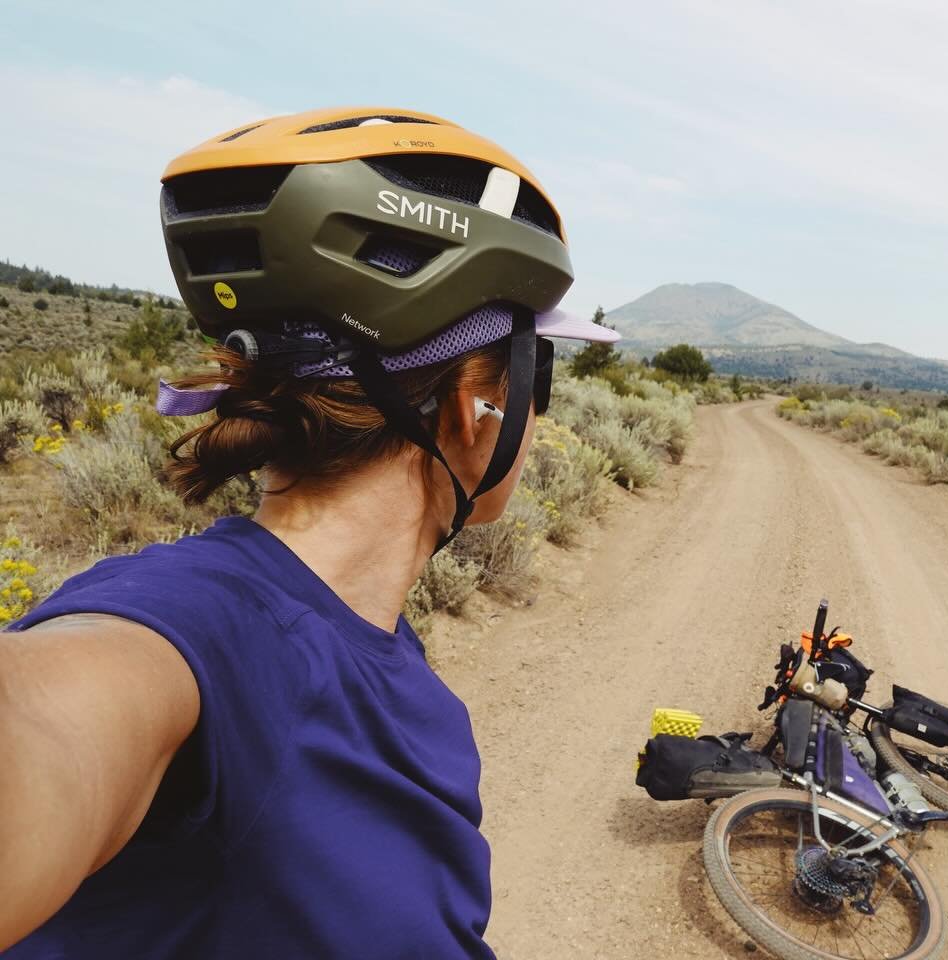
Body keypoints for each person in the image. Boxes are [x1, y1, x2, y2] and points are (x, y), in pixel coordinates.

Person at [0, 107, 619, 958]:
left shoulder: (376, 653)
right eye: (534, 374)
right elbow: (46, 721)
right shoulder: (196, 631)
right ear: (473, 408)